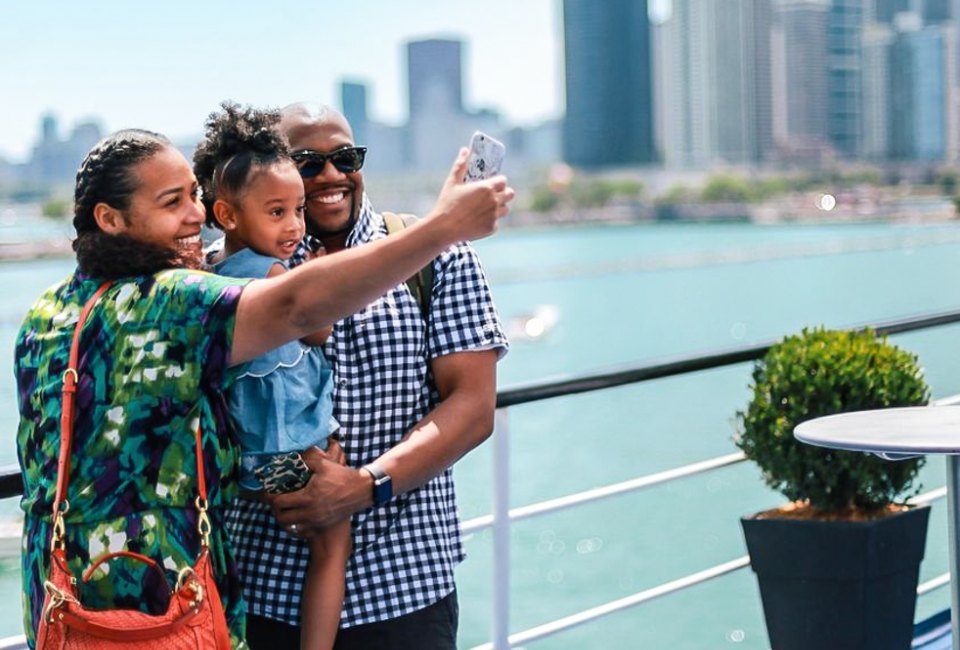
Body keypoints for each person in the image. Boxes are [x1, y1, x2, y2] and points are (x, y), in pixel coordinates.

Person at [15, 126, 512, 649]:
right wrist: (443, 226)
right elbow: (296, 307)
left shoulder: (45, 313)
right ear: (109, 219)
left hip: (61, 603)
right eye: (172, 202)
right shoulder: (173, 300)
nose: (197, 217)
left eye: (194, 197)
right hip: (162, 605)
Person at [226, 103, 509, 649]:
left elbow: (473, 407)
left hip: (404, 591)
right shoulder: (235, 272)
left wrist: (364, 487)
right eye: (307, 162)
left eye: (345, 158)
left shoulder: (439, 255)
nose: (331, 175)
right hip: (261, 588)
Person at [194, 102, 350, 650]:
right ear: (229, 215)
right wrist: (312, 281)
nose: (295, 227)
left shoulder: (210, 276)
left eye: (297, 211)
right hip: (295, 449)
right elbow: (319, 333)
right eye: (277, 212)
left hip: (247, 460)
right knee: (333, 544)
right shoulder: (278, 274)